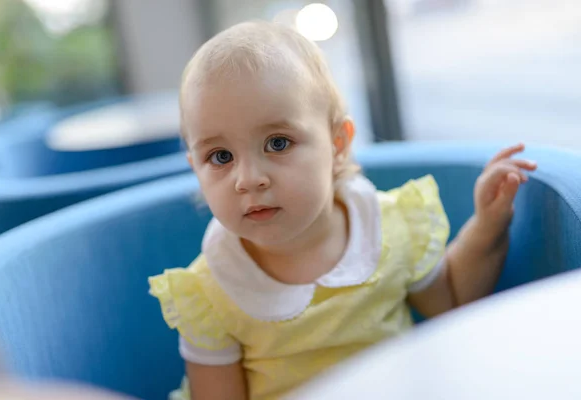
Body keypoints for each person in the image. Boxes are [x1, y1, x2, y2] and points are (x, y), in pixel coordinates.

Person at [148, 20, 537, 400]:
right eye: (220, 156)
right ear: (194, 167)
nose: (248, 179)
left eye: (278, 143)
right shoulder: (212, 289)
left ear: (337, 144)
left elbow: (451, 304)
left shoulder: (386, 226)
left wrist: (488, 224)